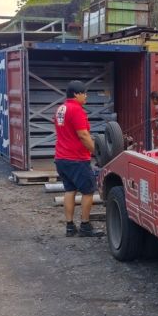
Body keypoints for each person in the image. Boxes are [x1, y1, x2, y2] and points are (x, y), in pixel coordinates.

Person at [54, 80, 102, 238]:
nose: (86, 96)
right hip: (76, 159)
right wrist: (97, 152)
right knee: (88, 191)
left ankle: (70, 226)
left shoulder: (61, 109)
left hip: (61, 158)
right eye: (84, 93)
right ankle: (85, 226)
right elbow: (83, 135)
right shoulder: (76, 110)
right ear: (76, 94)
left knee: (70, 190)